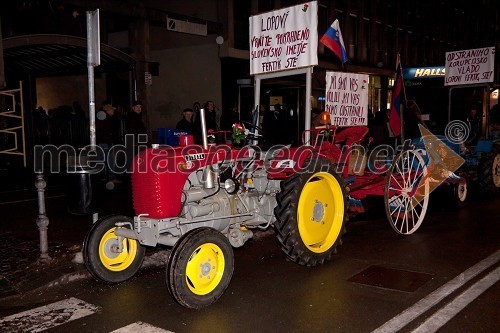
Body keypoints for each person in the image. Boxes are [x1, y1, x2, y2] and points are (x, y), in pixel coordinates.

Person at [96, 101, 121, 186]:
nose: (113, 111)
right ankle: (111, 178)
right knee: (110, 161)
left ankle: (102, 176)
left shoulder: (100, 118)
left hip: (101, 142)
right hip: (107, 142)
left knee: (102, 160)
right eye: (112, 110)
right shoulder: (107, 120)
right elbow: (109, 132)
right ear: (108, 111)